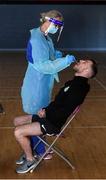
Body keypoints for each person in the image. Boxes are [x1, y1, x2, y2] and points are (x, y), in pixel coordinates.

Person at [14, 59, 97, 174]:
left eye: (85, 62)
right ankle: (30, 150)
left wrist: (46, 115)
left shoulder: (80, 87)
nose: (81, 60)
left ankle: (30, 159)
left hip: (52, 123)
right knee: (17, 121)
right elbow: (57, 104)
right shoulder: (72, 83)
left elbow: (65, 111)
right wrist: (45, 110)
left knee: (18, 132)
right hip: (48, 117)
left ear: (87, 70)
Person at [19, 9, 76, 163]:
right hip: (36, 85)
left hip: (42, 84)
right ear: (50, 21)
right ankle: (40, 150)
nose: (57, 29)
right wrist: (64, 61)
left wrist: (56, 55)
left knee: (40, 117)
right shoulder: (37, 39)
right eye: (57, 25)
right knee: (36, 119)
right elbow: (44, 66)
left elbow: (47, 55)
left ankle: (34, 148)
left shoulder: (45, 37)